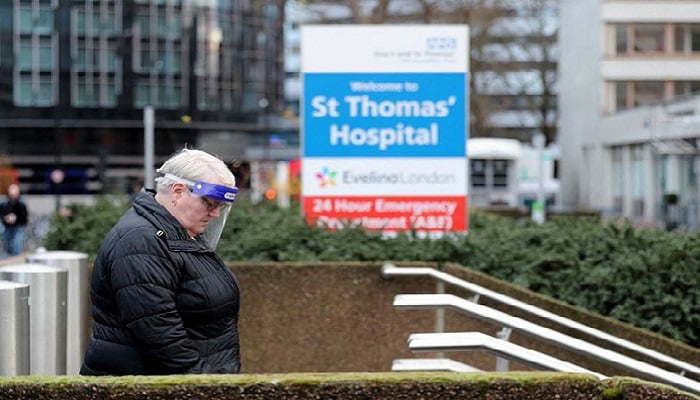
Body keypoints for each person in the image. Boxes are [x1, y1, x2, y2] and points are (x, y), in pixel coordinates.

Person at [80, 148, 242, 375]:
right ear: (177, 191)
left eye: (221, 207)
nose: (215, 214)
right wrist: (206, 385)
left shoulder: (176, 233)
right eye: (210, 203)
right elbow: (160, 333)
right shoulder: (141, 241)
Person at [0, 183, 28, 256]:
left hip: (18, 227)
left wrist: (16, 218)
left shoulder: (21, 203)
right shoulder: (4, 203)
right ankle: (8, 259)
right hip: (7, 227)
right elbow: (1, 214)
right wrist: (6, 218)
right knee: (7, 244)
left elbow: (24, 217)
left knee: (16, 244)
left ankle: (16, 259)